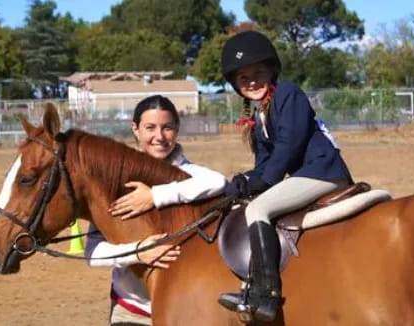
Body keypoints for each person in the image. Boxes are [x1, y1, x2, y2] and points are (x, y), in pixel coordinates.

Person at [217, 31, 354, 321]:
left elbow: (287, 148)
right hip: (304, 175)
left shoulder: (288, 94)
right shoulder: (260, 118)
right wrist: (244, 180)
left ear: (272, 71)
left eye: (257, 73)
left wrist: (260, 183)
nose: (251, 81)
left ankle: (265, 294)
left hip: (322, 172)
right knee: (249, 203)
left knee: (258, 208)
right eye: (243, 78)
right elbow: (265, 163)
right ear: (236, 86)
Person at [85, 95, 227, 326]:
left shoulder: (190, 176)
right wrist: (138, 252)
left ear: (177, 130)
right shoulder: (115, 182)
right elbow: (92, 251)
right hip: (132, 310)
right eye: (150, 127)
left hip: (188, 307)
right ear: (135, 129)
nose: (159, 137)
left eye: (167, 128)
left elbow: (219, 182)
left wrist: (154, 196)